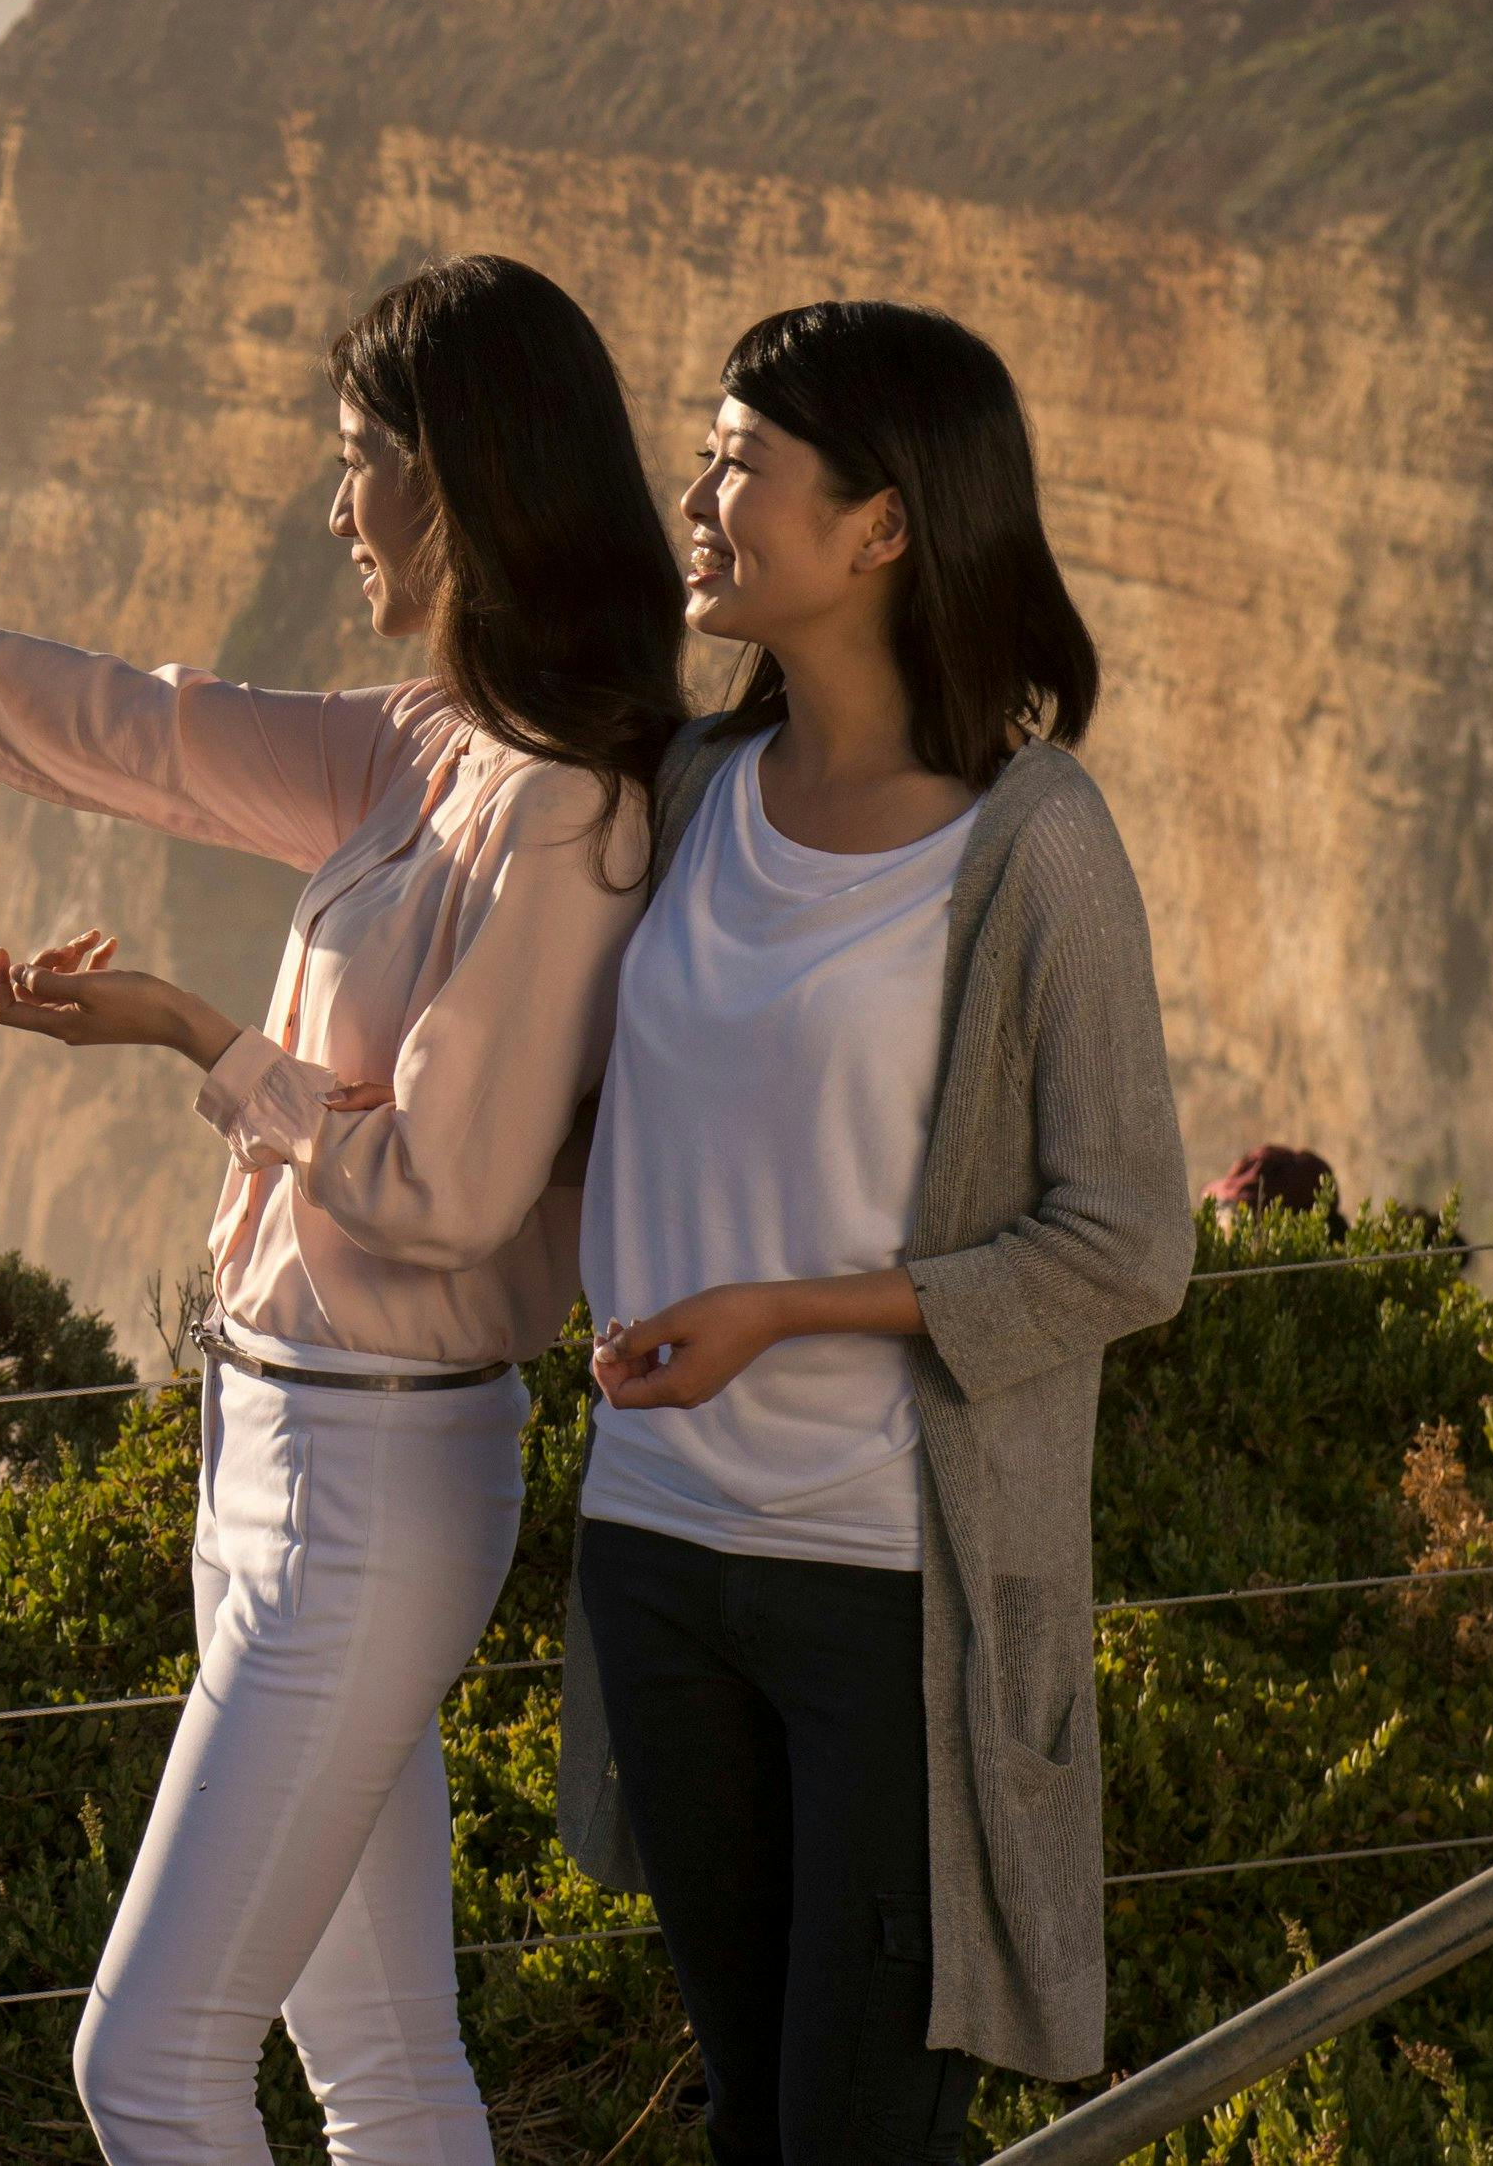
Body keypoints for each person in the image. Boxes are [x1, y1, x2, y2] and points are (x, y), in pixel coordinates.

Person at [0, 253, 680, 2166]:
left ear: (463, 483)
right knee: (385, 2069)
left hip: (375, 1481)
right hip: (277, 1448)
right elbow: (128, 726)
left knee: (146, 2068)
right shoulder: (419, 748)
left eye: (358, 465)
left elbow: (451, 1188)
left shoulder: (557, 813)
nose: (334, 508)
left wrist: (194, 1037)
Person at [566, 300, 1191, 2161]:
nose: (700, 491)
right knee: (759, 2113)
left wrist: (798, 1309)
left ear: (887, 527)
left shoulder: (1030, 843)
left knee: (856, 2132)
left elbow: (1131, 1242)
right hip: (656, 1557)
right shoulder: (689, 796)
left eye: (747, 460)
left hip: (890, 1595)